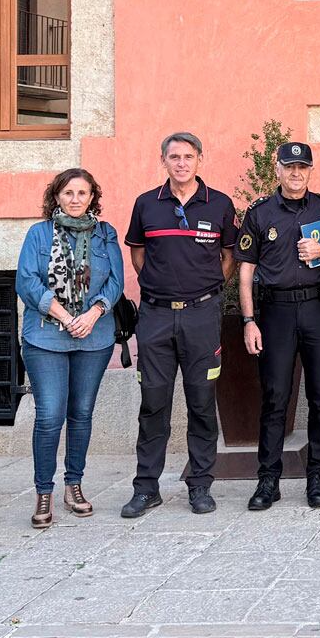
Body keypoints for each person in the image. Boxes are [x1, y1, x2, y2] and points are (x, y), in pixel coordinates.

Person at [122, 132, 238, 519]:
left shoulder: (220, 204)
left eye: (189, 157)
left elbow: (228, 257)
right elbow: (138, 255)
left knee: (202, 403)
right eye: (174, 157)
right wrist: (160, 286)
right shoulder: (146, 205)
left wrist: (202, 291)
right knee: (153, 403)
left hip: (201, 316)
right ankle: (146, 488)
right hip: (154, 316)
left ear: (200, 160)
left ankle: (201, 485)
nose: (182, 163)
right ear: (164, 161)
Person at [238, 140, 320, 510]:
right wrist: (249, 320)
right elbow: (246, 270)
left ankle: (317, 475)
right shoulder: (261, 212)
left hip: (318, 307)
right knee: (274, 397)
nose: (296, 173)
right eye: (289, 167)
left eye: (302, 167)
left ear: (310, 170)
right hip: (276, 313)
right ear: (278, 169)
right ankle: (268, 479)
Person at [16, 168, 125, 529]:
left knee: (81, 412)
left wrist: (93, 314)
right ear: (56, 197)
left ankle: (73, 484)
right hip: (46, 335)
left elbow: (116, 282)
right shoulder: (39, 233)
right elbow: (26, 281)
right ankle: (43, 490)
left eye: (83, 193)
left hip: (94, 335)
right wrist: (65, 316)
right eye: (68, 193)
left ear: (93, 197)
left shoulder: (105, 234)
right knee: (49, 415)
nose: (75, 199)